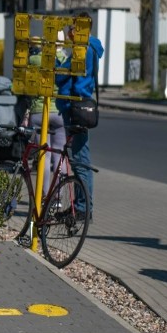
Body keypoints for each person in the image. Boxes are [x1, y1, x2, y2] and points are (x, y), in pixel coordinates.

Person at [56, 12, 104, 216]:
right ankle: (80, 206)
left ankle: (83, 208)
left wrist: (57, 60)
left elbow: (63, 77)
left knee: (80, 160)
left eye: (72, 28)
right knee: (78, 159)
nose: (69, 31)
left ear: (79, 29)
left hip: (74, 107)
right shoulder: (93, 46)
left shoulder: (81, 50)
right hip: (80, 106)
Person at [27, 33, 67, 197]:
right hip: (59, 112)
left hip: (38, 112)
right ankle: (57, 198)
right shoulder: (66, 61)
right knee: (59, 154)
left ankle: (42, 196)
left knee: (44, 155)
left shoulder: (34, 60)